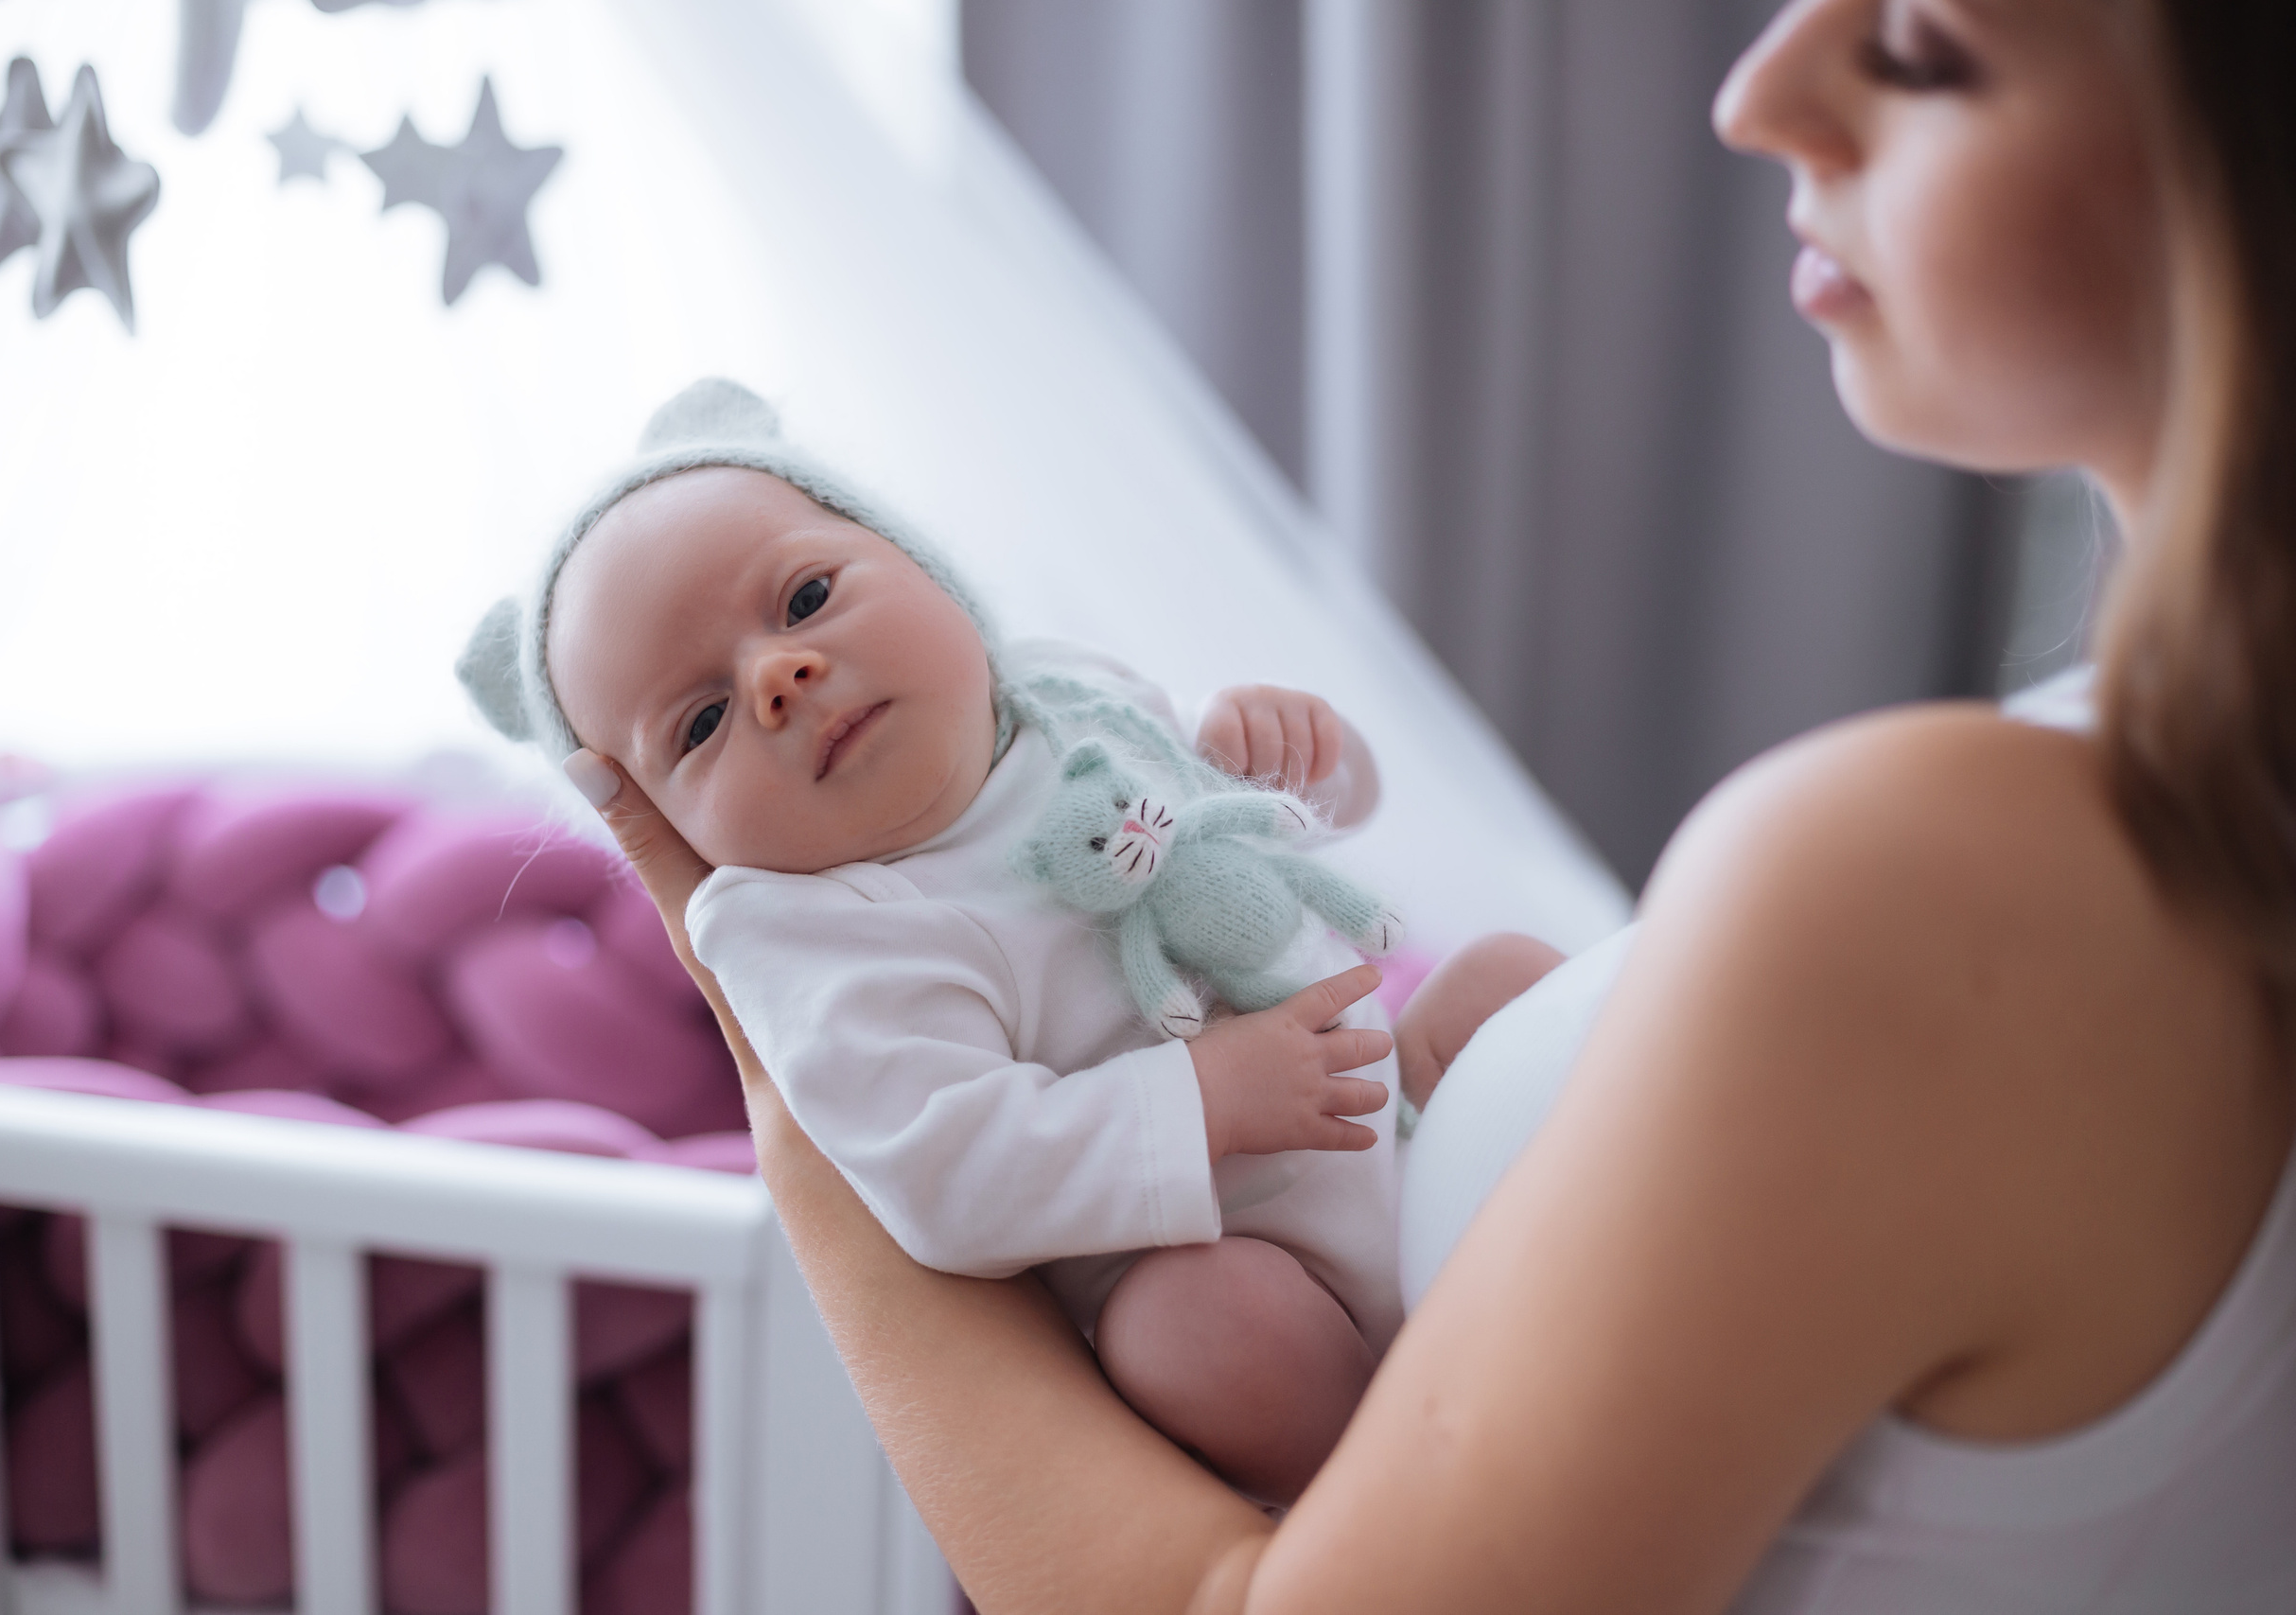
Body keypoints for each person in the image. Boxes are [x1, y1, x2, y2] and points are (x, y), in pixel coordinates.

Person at [564, 0, 2296, 1606]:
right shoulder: (2172, 826)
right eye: (702, 715)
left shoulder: (1928, 882)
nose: (1758, 90)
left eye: (1925, 43)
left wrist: (806, 1138)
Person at [461, 380, 1557, 1504]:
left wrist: (1297, 756)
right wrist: (1202, 1099)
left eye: (805, 597)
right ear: (672, 827)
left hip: (1400, 1118)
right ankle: (1412, 1499)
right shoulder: (817, 934)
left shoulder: (1061, 698)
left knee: (1510, 981)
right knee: (1183, 1331)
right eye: (700, 723)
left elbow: (1293, 832)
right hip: (1266, 1269)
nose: (776, 677)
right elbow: (950, 1176)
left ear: (919, 563)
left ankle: (1613, 1271)